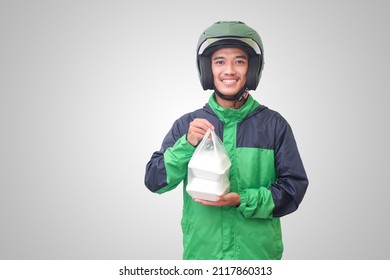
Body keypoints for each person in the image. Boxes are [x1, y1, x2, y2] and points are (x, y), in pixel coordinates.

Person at [144, 21, 308, 260]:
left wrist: (242, 199)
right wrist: (187, 144)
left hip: (257, 260)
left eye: (239, 61)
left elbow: (294, 190)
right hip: (203, 258)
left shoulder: (274, 126)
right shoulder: (187, 125)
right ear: (207, 69)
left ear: (252, 69)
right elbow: (154, 181)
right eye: (220, 61)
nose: (229, 70)